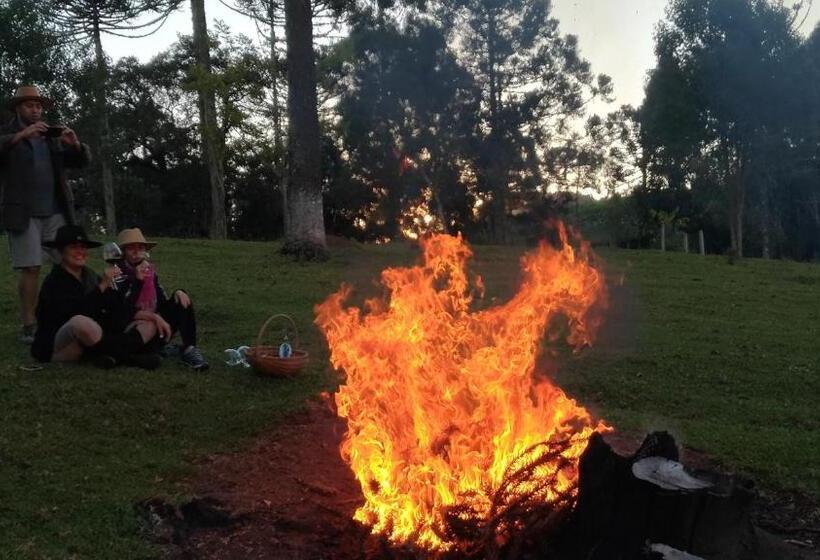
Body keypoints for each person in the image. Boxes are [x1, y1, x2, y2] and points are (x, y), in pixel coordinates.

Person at [0, 85, 91, 344]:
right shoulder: (8, 133)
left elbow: (80, 162)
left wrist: (75, 145)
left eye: (38, 106)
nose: (36, 110)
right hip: (23, 213)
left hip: (56, 211)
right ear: (18, 108)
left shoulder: (51, 136)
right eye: (30, 105)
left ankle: (68, 316)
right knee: (31, 267)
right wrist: (22, 135)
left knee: (68, 262)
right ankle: (29, 325)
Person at [31, 224, 159, 369]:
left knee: (148, 325)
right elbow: (75, 313)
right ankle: (128, 358)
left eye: (83, 247)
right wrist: (102, 286)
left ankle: (109, 356)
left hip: (94, 338)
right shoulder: (54, 281)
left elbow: (117, 310)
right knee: (81, 322)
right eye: (73, 247)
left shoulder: (90, 276)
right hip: (61, 344)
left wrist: (139, 286)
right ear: (61, 251)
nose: (80, 252)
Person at [115, 227, 209, 371]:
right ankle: (150, 351)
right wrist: (138, 281)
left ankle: (190, 349)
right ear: (123, 252)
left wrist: (177, 293)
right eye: (131, 248)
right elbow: (123, 310)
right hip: (133, 331)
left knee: (181, 297)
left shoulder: (150, 272)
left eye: (140, 248)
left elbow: (161, 302)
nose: (136, 252)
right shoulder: (117, 274)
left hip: (156, 325)